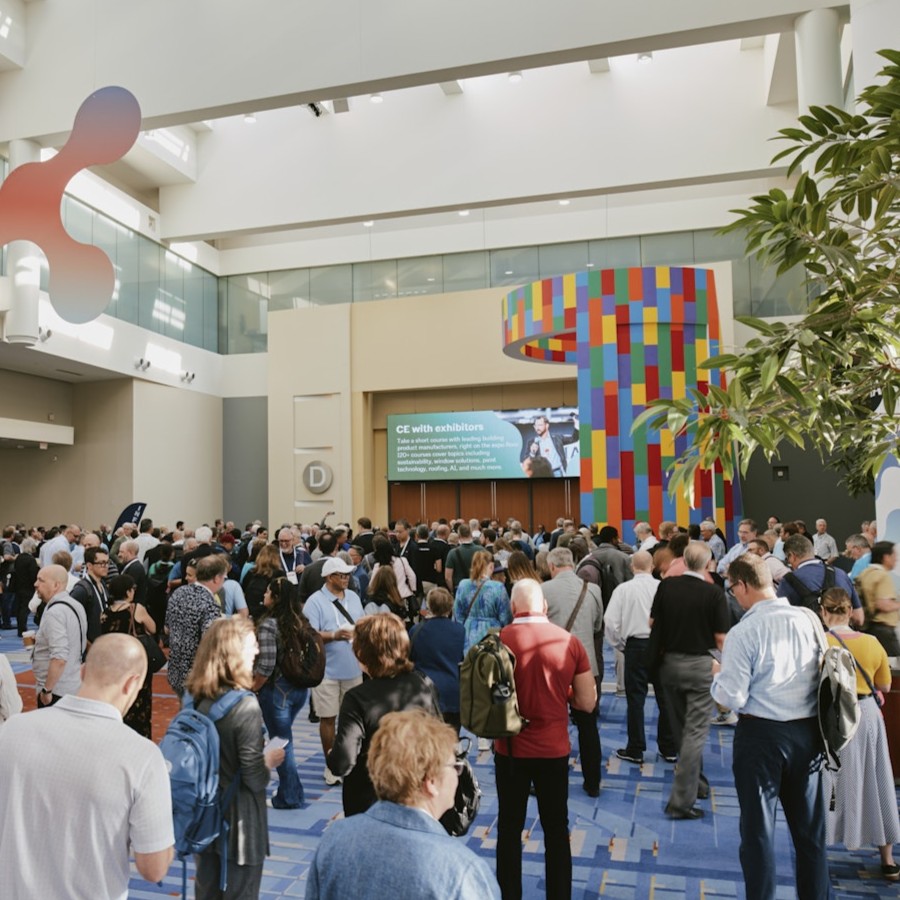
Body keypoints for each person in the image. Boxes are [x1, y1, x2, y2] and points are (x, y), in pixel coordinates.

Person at [0, 634, 174, 899]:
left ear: (82, 672)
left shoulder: (13, 729)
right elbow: (154, 869)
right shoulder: (143, 757)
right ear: (132, 683)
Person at [711, 551, 830, 900]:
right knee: (810, 835)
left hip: (761, 737)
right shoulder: (808, 618)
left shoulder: (744, 631)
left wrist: (716, 677)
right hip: (809, 733)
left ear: (744, 585)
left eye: (732, 588)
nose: (732, 595)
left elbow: (731, 697)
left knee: (758, 833)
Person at [306, 709, 500, 899]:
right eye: (454, 767)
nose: (458, 775)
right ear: (430, 782)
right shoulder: (462, 872)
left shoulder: (334, 839)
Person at [494, 578, 596, 900]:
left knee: (509, 828)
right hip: (553, 750)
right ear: (545, 607)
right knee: (556, 828)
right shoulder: (569, 642)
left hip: (509, 748)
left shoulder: (497, 641)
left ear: (513, 607)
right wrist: (560, 691)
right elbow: (586, 703)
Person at [185, 617, 285, 899]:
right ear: (234, 652)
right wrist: (268, 761)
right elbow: (254, 777)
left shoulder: (197, 697)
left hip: (204, 816)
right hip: (240, 822)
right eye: (252, 645)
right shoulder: (245, 705)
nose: (257, 652)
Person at [819, 587, 900, 881]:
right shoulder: (872, 642)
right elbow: (886, 687)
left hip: (830, 720)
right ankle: (888, 859)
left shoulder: (819, 642)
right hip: (865, 716)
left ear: (823, 612)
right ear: (851, 612)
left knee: (828, 783)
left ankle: (818, 852)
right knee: (877, 780)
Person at [328, 613, 441, 816]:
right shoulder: (423, 683)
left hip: (371, 801)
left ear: (363, 654)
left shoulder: (357, 698)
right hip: (418, 794)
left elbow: (342, 763)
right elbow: (439, 735)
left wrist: (331, 756)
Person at [648, 542, 729, 818]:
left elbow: (651, 623)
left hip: (669, 665)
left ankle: (699, 785)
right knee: (694, 734)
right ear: (707, 565)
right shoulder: (713, 593)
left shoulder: (667, 586)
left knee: (681, 728)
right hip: (699, 667)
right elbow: (721, 639)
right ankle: (680, 802)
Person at [541, 546, 604, 797]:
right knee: (589, 725)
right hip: (586, 663)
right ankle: (592, 782)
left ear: (552, 566)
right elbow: (598, 625)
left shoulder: (544, 590)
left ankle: (551, 778)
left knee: (549, 723)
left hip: (552, 664)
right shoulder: (594, 590)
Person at [604, 550, 677, 765]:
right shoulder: (664, 588)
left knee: (635, 699)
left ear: (631, 567)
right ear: (653, 566)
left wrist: (621, 645)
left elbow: (610, 622)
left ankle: (635, 748)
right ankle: (669, 748)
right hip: (662, 647)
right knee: (666, 699)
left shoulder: (623, 590)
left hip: (635, 646)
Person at [303, 556, 365, 785]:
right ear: (329, 578)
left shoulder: (354, 598)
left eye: (348, 574)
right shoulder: (315, 601)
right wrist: (334, 636)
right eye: (342, 575)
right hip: (326, 671)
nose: (347, 579)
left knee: (353, 721)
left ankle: (349, 761)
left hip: (353, 667)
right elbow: (309, 634)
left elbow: (361, 623)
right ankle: (331, 765)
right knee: (328, 719)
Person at [252, 576, 311, 809]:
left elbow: (266, 664)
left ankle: (290, 793)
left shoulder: (268, 625)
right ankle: (289, 789)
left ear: (275, 598)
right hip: (298, 688)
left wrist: (254, 686)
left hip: (277, 689)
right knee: (283, 739)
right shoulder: (299, 620)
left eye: (267, 593)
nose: (263, 596)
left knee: (281, 741)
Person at [101, 573, 156, 738]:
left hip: (113, 666)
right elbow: (152, 628)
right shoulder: (136, 609)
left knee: (116, 703)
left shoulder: (105, 613)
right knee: (139, 705)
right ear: (128, 591)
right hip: (135, 665)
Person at [410, 586, 466, 732]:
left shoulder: (417, 630)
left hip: (425, 693)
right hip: (453, 693)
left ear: (429, 606)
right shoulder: (459, 630)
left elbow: (411, 658)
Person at [32, 564, 87, 706]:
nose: (35, 584)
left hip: (57, 690)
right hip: (73, 683)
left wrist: (47, 690)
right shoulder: (76, 605)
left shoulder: (55, 612)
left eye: (41, 580)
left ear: (56, 585)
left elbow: (59, 657)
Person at [453, 549, 512, 653]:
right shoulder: (498, 587)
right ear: (491, 567)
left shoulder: (463, 585)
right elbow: (505, 617)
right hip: (492, 632)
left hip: (469, 631)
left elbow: (457, 614)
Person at [857, 541, 900, 655]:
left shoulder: (865, 573)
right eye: (894, 555)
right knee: (894, 667)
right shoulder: (882, 576)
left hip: (868, 627)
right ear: (886, 557)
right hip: (884, 631)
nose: (896, 559)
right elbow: (883, 604)